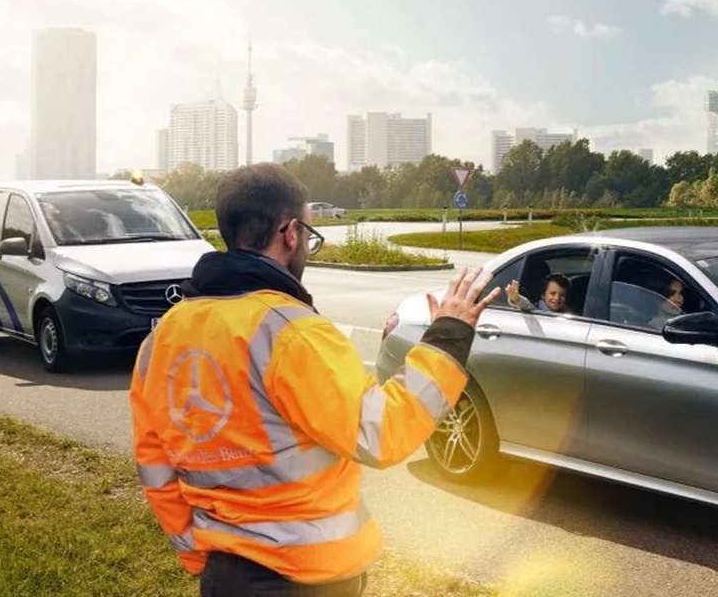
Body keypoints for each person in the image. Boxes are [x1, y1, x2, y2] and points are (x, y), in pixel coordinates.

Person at [130, 163, 500, 597]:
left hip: (225, 576)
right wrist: (448, 337)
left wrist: (195, 552)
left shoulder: (163, 337)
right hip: (307, 578)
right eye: (308, 233)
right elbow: (382, 433)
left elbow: (154, 465)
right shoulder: (293, 332)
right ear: (290, 233)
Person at [505, 273, 571, 314]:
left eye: (562, 295)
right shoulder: (538, 311)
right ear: (543, 295)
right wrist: (517, 299)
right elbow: (527, 306)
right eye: (552, 293)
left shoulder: (566, 311)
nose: (557, 298)